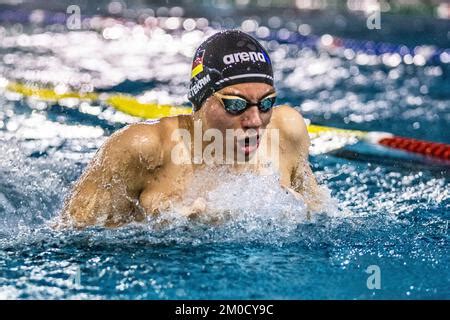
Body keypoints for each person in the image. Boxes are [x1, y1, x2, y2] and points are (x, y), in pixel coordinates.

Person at [61, 30, 324, 228]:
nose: (255, 120)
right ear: (200, 101)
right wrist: (165, 232)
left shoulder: (287, 131)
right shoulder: (142, 148)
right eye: (235, 104)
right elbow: (71, 237)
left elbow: (324, 217)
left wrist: (303, 214)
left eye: (266, 103)